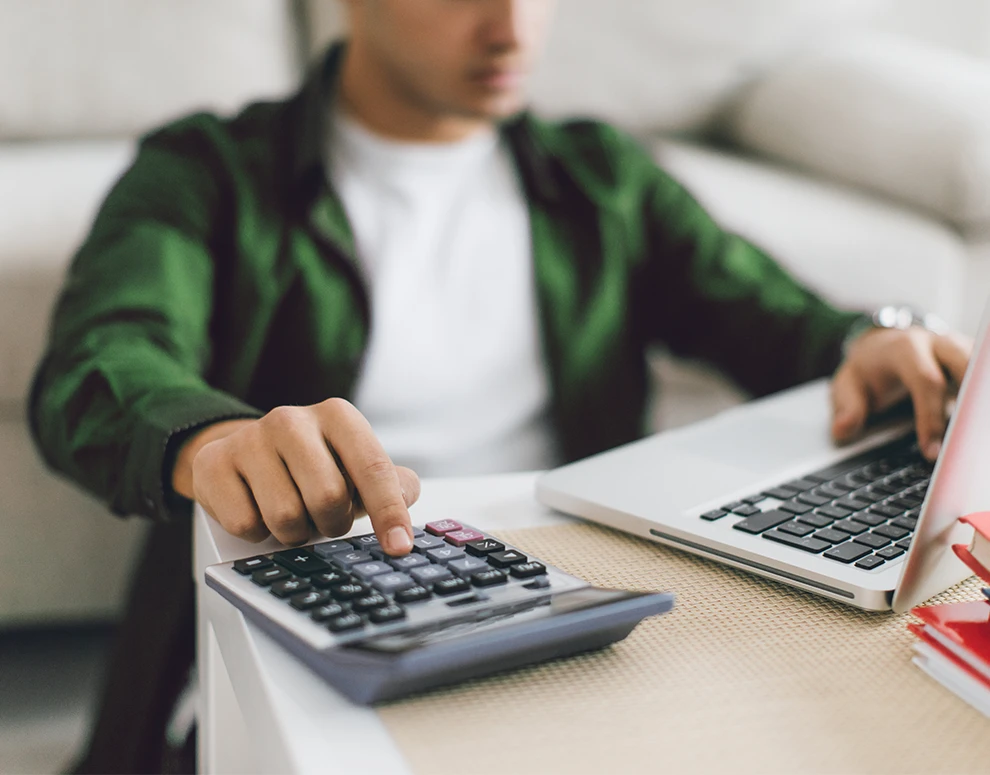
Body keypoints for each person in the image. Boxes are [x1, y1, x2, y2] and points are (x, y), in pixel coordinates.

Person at [30, 1, 971, 772]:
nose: (512, 28)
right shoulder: (206, 172)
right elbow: (99, 359)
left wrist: (877, 335)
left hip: (562, 611)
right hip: (316, 608)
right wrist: (213, 440)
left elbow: (777, 319)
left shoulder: (603, 177)